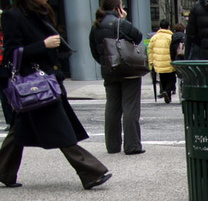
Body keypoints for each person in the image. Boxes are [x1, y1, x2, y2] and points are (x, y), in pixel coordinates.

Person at [0, 0, 111, 190]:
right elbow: (12, 53)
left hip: (46, 82)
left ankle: (3, 171)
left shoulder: (41, 13)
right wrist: (43, 44)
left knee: (19, 129)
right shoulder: (13, 16)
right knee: (59, 128)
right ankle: (91, 172)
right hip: (34, 84)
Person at [89, 0, 144, 155]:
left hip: (109, 70)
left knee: (112, 107)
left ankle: (112, 146)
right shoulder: (121, 23)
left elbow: (94, 51)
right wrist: (123, 19)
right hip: (128, 70)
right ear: (117, 7)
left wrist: (106, 63)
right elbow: (137, 37)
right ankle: (132, 145)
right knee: (130, 107)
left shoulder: (96, 26)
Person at [149, 19, 176, 103]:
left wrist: (151, 62)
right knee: (172, 79)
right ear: (168, 27)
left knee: (163, 78)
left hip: (158, 62)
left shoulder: (154, 37)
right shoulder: (171, 37)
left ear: (160, 27)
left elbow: (150, 51)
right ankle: (167, 91)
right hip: (169, 62)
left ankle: (166, 93)